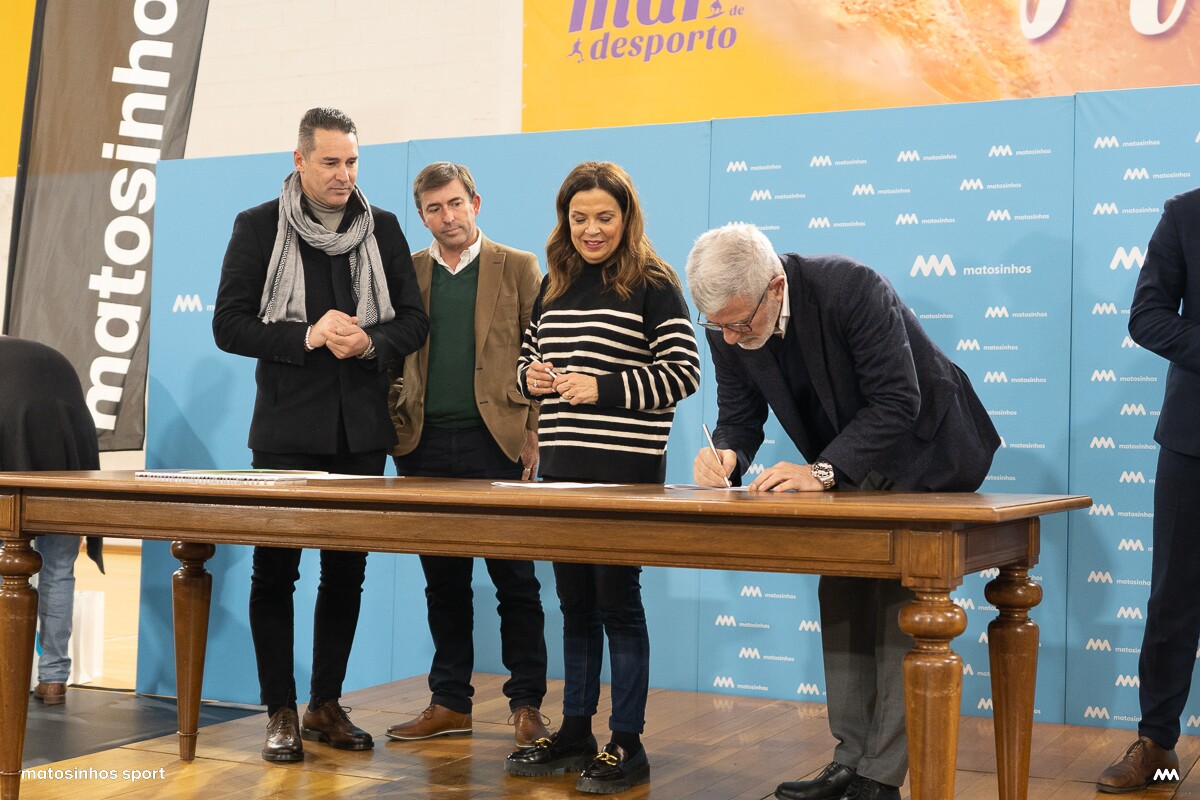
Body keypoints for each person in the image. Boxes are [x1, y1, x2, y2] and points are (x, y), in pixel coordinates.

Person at [686, 223, 1000, 800]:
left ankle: (880, 777)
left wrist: (822, 472)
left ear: (774, 287)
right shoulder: (730, 318)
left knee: (898, 603)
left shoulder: (850, 287)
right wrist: (727, 454)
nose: (728, 338)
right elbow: (738, 416)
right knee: (842, 592)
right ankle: (850, 760)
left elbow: (898, 400)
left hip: (925, 449)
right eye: (716, 326)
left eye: (738, 325)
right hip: (849, 459)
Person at [212, 107, 428, 763]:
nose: (343, 175)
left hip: (361, 432)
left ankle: (324, 704)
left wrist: (371, 341)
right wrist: (307, 335)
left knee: (346, 573)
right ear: (300, 160)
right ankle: (279, 709)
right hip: (286, 430)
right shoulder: (258, 225)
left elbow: (414, 322)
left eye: (352, 162)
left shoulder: (382, 226)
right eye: (331, 162)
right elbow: (229, 325)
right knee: (276, 572)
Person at [504, 161, 700, 793]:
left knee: (618, 603)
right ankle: (575, 731)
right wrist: (530, 378)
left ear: (627, 217)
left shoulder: (654, 282)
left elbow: (683, 373)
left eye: (605, 217)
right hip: (562, 473)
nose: (591, 230)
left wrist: (602, 387)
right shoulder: (555, 282)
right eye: (579, 217)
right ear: (565, 221)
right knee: (575, 605)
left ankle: (627, 742)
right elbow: (527, 361)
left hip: (625, 474)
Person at [382, 162, 550, 748]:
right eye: (434, 208)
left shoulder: (519, 266)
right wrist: (395, 420)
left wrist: (534, 431)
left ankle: (527, 705)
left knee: (516, 581)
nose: (447, 217)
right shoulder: (408, 271)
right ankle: (450, 702)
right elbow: (392, 354)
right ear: (421, 215)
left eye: (455, 203)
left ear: (476, 203)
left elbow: (540, 352)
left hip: (496, 442)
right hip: (423, 446)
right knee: (443, 583)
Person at [1095, 187, 1200, 793]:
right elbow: (1148, 315)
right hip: (1195, 440)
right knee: (1172, 601)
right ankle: (1159, 747)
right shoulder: (1186, 214)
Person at [0, 337, 104, 706]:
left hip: (10, 473)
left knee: (5, 569)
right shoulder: (47, 356)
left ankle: (6, 672)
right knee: (59, 571)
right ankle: (54, 678)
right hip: (67, 469)